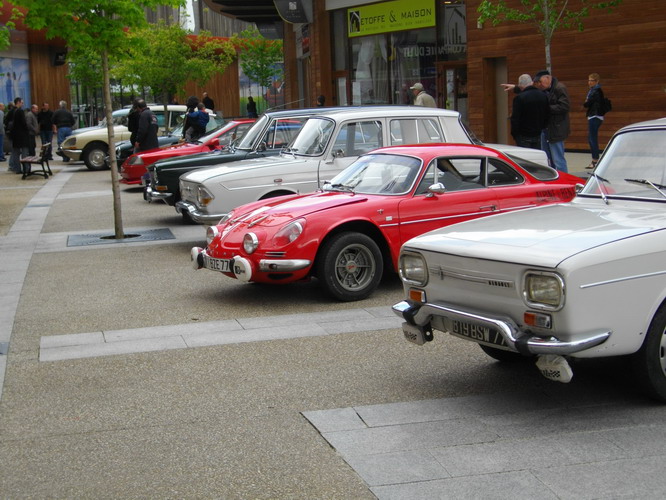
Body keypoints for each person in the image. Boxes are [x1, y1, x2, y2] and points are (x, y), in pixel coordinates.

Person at [534, 70, 570, 173]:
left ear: (547, 78)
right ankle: (553, 178)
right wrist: (516, 87)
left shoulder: (559, 88)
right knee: (547, 158)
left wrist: (546, 108)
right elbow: (529, 88)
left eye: (540, 82)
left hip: (556, 129)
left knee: (558, 159)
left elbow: (565, 106)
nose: (539, 85)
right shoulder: (543, 90)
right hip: (546, 128)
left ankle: (564, 181)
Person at [510, 74, 550, 149]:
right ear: (531, 83)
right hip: (538, 132)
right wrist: (542, 127)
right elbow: (547, 114)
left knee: (525, 157)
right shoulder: (543, 95)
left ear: (520, 85)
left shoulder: (519, 98)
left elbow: (515, 118)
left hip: (523, 134)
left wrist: (515, 134)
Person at [584, 72, 606, 169]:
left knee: (592, 138)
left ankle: (595, 160)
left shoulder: (595, 91)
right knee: (591, 138)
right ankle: (595, 159)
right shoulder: (594, 90)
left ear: (596, 81)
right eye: (589, 80)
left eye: (591, 80)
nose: (589, 82)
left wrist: (586, 103)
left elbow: (588, 103)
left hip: (595, 116)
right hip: (594, 115)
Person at [7, 97, 30, 177]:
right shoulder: (20, 111)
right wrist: (27, 130)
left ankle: (17, 169)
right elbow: (24, 123)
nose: (22, 104)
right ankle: (26, 168)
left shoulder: (11, 111)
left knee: (16, 153)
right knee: (24, 153)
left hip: (15, 136)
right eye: (22, 102)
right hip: (22, 136)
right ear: (19, 102)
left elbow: (7, 122)